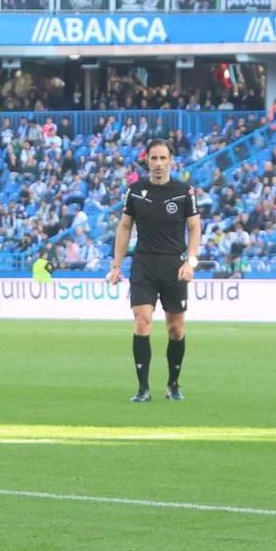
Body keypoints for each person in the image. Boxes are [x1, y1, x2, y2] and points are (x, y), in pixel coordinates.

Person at [106, 140, 201, 402]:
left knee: (176, 329)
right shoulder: (135, 191)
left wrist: (190, 261)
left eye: (163, 158)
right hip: (144, 264)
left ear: (171, 161)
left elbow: (194, 227)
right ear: (147, 160)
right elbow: (125, 226)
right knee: (142, 321)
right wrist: (116, 265)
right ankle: (143, 389)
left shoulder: (184, 191)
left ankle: (173, 384)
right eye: (154, 158)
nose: (159, 163)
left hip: (174, 266)